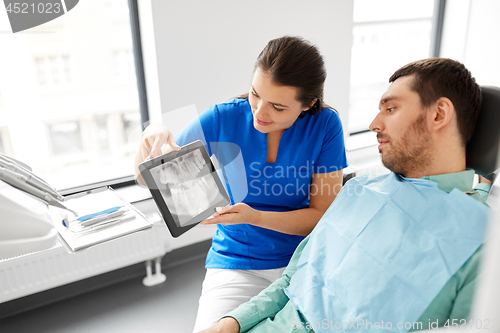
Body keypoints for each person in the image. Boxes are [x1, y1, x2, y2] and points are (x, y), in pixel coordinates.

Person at [201, 58, 493, 333]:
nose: (374, 124)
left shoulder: (482, 243)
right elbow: (292, 280)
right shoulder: (358, 190)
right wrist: (232, 322)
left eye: (390, 109)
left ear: (439, 114)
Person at [134, 36, 348, 332]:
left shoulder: (325, 125)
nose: (259, 112)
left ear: (307, 103)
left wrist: (255, 217)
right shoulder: (224, 118)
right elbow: (146, 177)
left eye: (276, 106)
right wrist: (152, 134)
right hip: (237, 260)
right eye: (255, 94)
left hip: (304, 259)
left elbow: (320, 217)